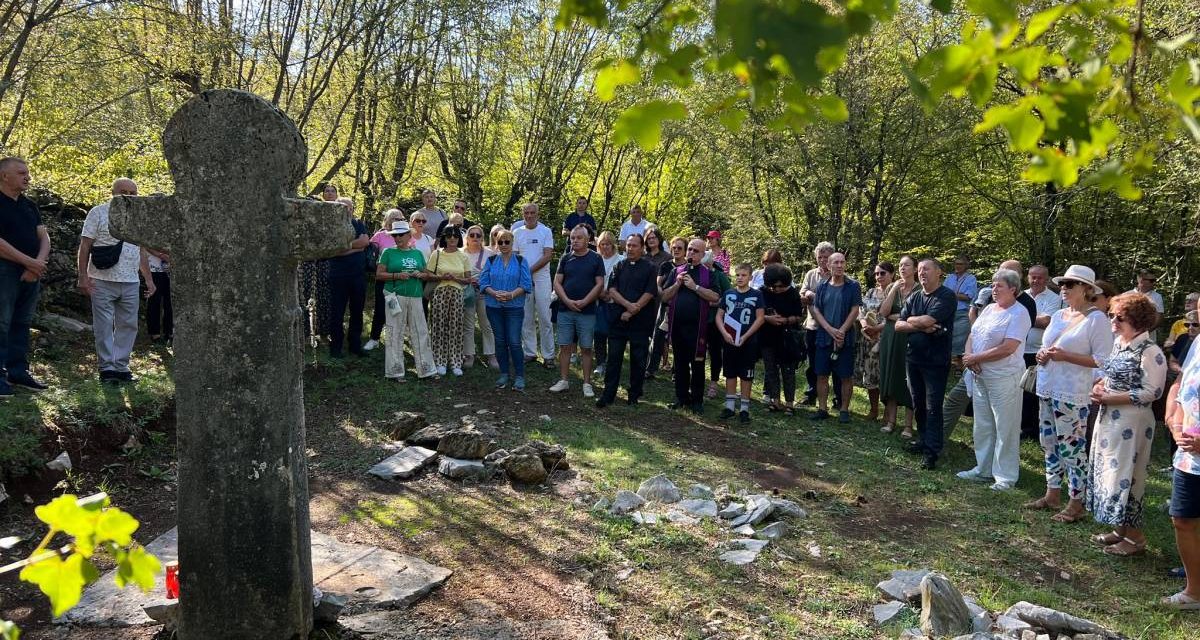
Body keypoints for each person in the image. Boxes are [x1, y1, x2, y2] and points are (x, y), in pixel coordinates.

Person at [1023, 265, 1116, 518]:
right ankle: (1052, 494)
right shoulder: (1059, 315)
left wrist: (1067, 356)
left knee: (1072, 448)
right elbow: (1047, 346)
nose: (1063, 288)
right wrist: (1043, 354)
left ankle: (1077, 502)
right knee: (1049, 443)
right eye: (1062, 284)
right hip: (1047, 387)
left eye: (1070, 284)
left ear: (1086, 289)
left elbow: (1103, 361)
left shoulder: (1097, 320)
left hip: (1072, 393)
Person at [1086, 293, 1166, 556]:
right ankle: (1119, 529)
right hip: (1110, 418)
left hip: (1133, 422)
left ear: (1138, 321)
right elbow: (1111, 375)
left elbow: (1152, 392)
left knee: (1127, 477)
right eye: (1112, 315)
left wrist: (1110, 397)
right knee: (1111, 473)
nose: (1114, 321)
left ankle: (1135, 539)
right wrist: (1100, 387)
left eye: (1120, 317)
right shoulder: (1120, 344)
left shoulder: (1150, 351)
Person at [956, 268, 1032, 491]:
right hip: (980, 375)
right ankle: (983, 469)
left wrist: (975, 357)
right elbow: (973, 334)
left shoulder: (1019, 313)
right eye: (993, 284)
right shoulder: (989, 308)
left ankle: (1005, 476)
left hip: (1004, 377)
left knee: (1005, 425)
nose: (994, 289)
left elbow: (1009, 347)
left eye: (999, 285)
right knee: (984, 424)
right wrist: (970, 358)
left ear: (1013, 289)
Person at [77, 178, 156, 384]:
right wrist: (82, 276)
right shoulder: (98, 212)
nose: (128, 196)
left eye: (133, 193)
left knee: (128, 325)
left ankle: (121, 366)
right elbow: (85, 246)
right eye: (124, 192)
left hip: (130, 281)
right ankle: (107, 368)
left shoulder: (140, 217)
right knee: (103, 325)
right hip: (100, 279)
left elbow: (142, 251)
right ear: (113, 192)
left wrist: (148, 279)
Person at [896, 258, 956, 470]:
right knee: (918, 402)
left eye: (926, 269)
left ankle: (933, 451)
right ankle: (923, 441)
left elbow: (926, 321)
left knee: (933, 407)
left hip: (935, 361)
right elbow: (899, 325)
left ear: (938, 272)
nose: (922, 273)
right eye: (919, 270)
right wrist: (918, 323)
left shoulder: (946, 296)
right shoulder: (914, 296)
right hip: (914, 359)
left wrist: (915, 321)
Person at [596, 233, 658, 408]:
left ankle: (634, 395)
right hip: (618, 319)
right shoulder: (620, 265)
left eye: (634, 245)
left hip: (640, 321)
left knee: (638, 359)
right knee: (614, 357)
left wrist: (633, 309)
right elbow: (612, 290)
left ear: (642, 248)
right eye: (628, 245)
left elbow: (650, 292)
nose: (630, 248)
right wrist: (627, 306)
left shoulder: (650, 267)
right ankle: (608, 395)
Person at [662, 238, 722, 412]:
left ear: (703, 254)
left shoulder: (709, 274)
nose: (691, 253)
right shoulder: (677, 271)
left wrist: (695, 287)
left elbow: (716, 297)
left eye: (696, 251)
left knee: (697, 365)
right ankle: (681, 398)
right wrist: (677, 284)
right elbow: (665, 297)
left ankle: (697, 401)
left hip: (698, 328)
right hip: (678, 326)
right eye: (690, 249)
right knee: (679, 364)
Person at [1163, 335, 1200, 608]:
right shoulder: (1198, 343)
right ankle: (1194, 591)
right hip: (1189, 455)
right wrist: (1175, 423)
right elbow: (1181, 386)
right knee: (1183, 519)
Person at [549, 225, 606, 397]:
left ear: (588, 239)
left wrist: (584, 301)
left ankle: (587, 383)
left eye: (579, 238)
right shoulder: (566, 258)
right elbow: (557, 282)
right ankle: (564, 380)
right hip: (565, 310)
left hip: (587, 311)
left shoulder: (596, 258)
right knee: (565, 346)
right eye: (573, 238)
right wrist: (566, 300)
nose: (575, 241)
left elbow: (599, 284)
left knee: (586, 348)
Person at [376, 221, 436, 380]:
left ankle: (426, 369)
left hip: (415, 295)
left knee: (420, 331)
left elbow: (427, 273)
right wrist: (397, 275)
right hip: (394, 295)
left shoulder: (417, 254)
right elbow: (379, 274)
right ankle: (395, 371)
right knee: (394, 331)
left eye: (401, 235)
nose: (397, 238)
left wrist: (421, 275)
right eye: (395, 235)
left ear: (409, 235)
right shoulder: (388, 252)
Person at [809, 252, 862, 423]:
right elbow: (816, 309)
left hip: (845, 338)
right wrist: (830, 329)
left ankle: (844, 409)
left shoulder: (853, 286)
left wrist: (841, 331)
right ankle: (822, 408)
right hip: (824, 336)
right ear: (829, 265)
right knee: (822, 374)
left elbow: (855, 309)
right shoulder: (823, 286)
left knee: (846, 375)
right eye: (836, 262)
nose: (840, 265)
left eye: (842, 262)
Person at [480, 229, 532, 390]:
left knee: (515, 342)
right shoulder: (491, 260)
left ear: (512, 242)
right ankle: (504, 374)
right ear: (496, 243)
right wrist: (494, 293)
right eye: (500, 242)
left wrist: (511, 295)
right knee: (500, 341)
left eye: (506, 241)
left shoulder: (521, 260)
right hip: (493, 306)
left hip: (514, 307)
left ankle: (519, 376)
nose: (503, 244)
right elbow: (483, 282)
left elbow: (526, 284)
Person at [716, 263, 766, 422]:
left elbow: (760, 318)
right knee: (730, 372)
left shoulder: (756, 295)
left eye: (744, 275)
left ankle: (744, 408)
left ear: (750, 277)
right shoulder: (729, 294)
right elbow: (719, 316)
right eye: (737, 275)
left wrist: (746, 336)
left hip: (748, 340)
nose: (740, 278)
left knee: (746, 374)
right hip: (730, 339)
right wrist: (724, 333)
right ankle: (730, 406)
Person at [1021, 264, 1065, 437]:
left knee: (1031, 392)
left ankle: (1030, 429)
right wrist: (1034, 318)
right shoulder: (1021, 295)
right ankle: (1019, 424)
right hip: (1018, 350)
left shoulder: (1054, 298)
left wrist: (1022, 317)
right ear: (1028, 277)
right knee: (1016, 390)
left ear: (1046, 279)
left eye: (1040, 277)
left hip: (1037, 351)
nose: (1036, 280)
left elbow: (1046, 321)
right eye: (1033, 276)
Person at [511, 203, 555, 365]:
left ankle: (548, 355)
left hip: (542, 278)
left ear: (538, 214)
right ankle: (529, 352)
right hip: (523, 279)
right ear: (523, 214)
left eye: (532, 213)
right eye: (526, 213)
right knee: (526, 316)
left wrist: (529, 270)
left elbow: (547, 255)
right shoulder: (517, 233)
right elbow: (514, 256)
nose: (529, 216)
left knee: (545, 316)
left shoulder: (545, 231)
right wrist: (523, 273)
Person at [326, 197, 370, 358]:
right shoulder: (332, 226)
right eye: (343, 207)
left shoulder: (358, 224)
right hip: (338, 276)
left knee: (357, 311)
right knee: (337, 313)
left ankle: (355, 345)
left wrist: (347, 247)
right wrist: (355, 247)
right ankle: (336, 347)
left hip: (358, 275)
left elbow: (365, 242)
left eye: (349, 207)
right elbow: (333, 250)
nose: (347, 210)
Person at [427, 225, 472, 376]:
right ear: (444, 238)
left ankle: (455, 362)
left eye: (455, 235)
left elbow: (468, 279)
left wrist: (456, 278)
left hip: (457, 293)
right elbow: (427, 275)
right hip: (440, 292)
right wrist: (441, 277)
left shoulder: (463, 256)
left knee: (456, 327)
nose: (452, 238)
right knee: (439, 326)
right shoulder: (436, 254)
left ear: (459, 238)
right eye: (449, 236)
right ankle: (439, 361)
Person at [879, 256, 916, 438]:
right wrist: (893, 288)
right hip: (890, 337)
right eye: (900, 265)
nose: (903, 268)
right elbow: (883, 312)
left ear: (915, 269)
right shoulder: (891, 288)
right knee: (892, 376)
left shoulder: (919, 290)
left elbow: (917, 316)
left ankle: (908, 425)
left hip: (910, 337)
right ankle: (891, 421)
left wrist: (898, 317)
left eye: (907, 265)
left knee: (908, 380)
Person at [760, 264, 805, 414]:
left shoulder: (792, 293)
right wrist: (768, 318)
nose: (776, 289)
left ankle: (790, 403)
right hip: (767, 335)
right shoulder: (763, 292)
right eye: (773, 286)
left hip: (787, 337)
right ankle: (775, 400)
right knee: (770, 369)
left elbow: (799, 316)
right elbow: (756, 312)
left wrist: (785, 320)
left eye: (780, 286)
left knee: (788, 370)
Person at [801, 242, 839, 406]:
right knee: (813, 362)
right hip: (813, 325)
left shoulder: (838, 275)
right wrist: (807, 293)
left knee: (835, 363)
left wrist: (815, 296)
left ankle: (838, 398)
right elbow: (802, 293)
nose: (822, 260)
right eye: (820, 257)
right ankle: (811, 394)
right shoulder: (811, 274)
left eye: (826, 257)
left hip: (833, 326)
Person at [364, 208, 406, 352]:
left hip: (401, 279)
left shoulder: (406, 236)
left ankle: (395, 338)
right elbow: (370, 253)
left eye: (399, 218)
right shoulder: (380, 235)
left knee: (397, 309)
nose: (397, 221)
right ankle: (374, 338)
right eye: (394, 218)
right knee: (381, 309)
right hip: (384, 278)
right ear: (388, 220)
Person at [647, 236, 686, 379]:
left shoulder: (688, 267)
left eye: (679, 248)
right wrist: (661, 292)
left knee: (678, 339)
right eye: (674, 247)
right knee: (657, 338)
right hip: (664, 305)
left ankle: (677, 371)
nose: (676, 250)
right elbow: (658, 284)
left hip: (681, 308)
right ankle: (651, 369)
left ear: (685, 250)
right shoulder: (666, 265)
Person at [856, 262, 892, 421]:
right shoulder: (870, 292)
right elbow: (861, 311)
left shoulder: (895, 293)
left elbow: (897, 317)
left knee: (884, 375)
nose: (879, 277)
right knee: (870, 374)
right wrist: (864, 324)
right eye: (877, 274)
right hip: (867, 339)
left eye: (882, 273)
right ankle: (873, 409)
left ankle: (887, 413)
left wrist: (878, 328)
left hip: (885, 339)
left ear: (892, 274)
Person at [463, 224, 497, 370]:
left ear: (482, 238)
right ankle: (469, 355)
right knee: (468, 325)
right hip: (467, 293)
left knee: (487, 324)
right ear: (467, 238)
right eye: (472, 235)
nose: (475, 238)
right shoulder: (460, 253)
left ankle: (491, 355)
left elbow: (496, 272)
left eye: (478, 235)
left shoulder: (490, 253)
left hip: (485, 292)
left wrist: (483, 280)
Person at [593, 231, 624, 378]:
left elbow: (624, 283)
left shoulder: (621, 260)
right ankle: (600, 363)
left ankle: (613, 363)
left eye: (608, 244)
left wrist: (610, 294)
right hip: (598, 301)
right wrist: (600, 293)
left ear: (613, 245)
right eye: (602, 244)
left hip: (615, 303)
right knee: (599, 333)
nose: (605, 247)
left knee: (613, 335)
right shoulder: (595, 259)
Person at [945, 255, 978, 367]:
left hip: (962, 312)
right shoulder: (950, 277)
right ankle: (946, 363)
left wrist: (951, 294)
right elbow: (942, 292)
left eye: (960, 264)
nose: (957, 266)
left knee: (961, 339)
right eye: (956, 264)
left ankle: (960, 366)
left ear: (966, 266)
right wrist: (956, 295)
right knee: (946, 336)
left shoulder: (971, 278)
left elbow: (969, 296)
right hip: (948, 311)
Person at [1127, 270, 1164, 342]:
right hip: (1128, 337)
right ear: (1140, 280)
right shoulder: (1127, 295)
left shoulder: (1157, 297)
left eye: (1154, 280)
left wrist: (1145, 332)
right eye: (1151, 280)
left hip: (1148, 338)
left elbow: (1159, 317)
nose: (1154, 283)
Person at [145, 244, 172, 345]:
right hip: (153, 269)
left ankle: (169, 332)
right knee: (154, 301)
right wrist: (162, 255)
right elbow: (145, 245)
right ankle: (154, 333)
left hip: (171, 270)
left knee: (170, 303)